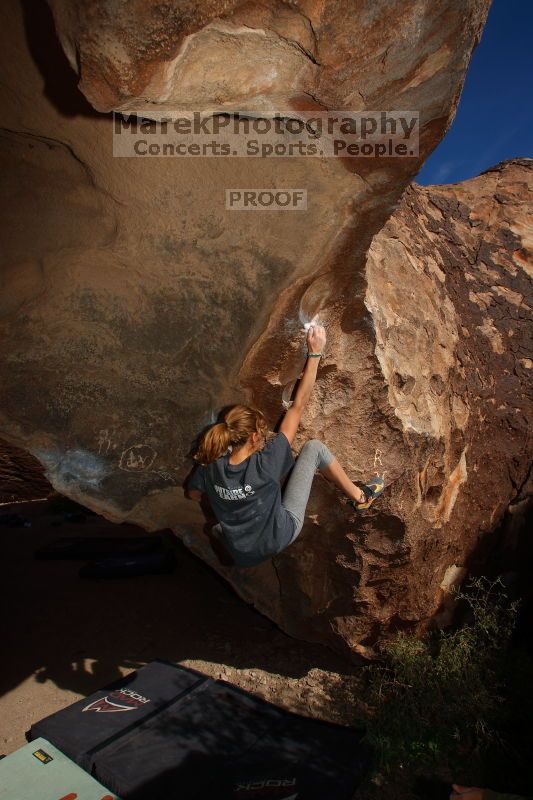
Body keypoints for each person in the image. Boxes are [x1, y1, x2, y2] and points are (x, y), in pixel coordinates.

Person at [185, 324, 384, 567]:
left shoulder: (210, 464)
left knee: (219, 526)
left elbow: (193, 494)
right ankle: (360, 496)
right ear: (253, 438)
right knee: (314, 448)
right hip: (278, 537)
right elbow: (298, 405)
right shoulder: (268, 461)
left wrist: (227, 498)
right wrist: (315, 353)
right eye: (260, 431)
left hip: (239, 552)